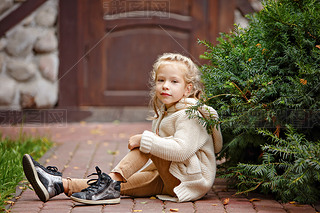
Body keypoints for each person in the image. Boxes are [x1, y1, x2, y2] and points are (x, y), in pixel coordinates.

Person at [22, 53, 223, 205]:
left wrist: (145, 140)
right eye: (161, 80)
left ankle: (111, 180)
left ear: (188, 89)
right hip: (166, 177)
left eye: (174, 81)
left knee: (145, 143)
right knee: (121, 186)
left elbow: (181, 151)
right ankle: (57, 185)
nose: (165, 86)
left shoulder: (192, 115)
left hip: (187, 181)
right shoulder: (166, 112)